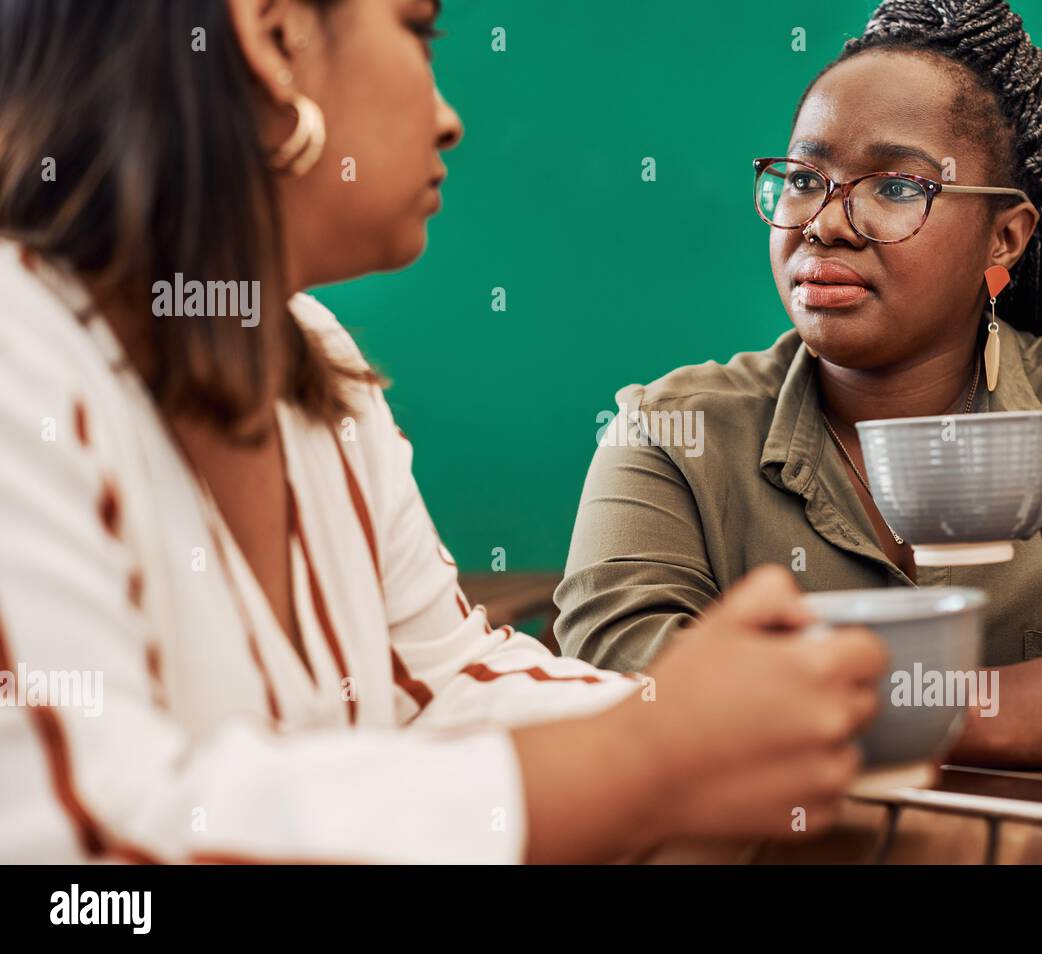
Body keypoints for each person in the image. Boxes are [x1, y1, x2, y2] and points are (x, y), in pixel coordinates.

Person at [0, 0, 888, 863]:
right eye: (417, 30)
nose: (450, 117)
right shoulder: (20, 352)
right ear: (275, 40)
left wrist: (717, 721)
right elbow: (91, 848)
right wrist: (645, 754)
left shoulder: (309, 352)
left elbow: (438, 683)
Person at [555, 0, 1042, 768]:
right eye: (804, 177)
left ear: (1005, 234)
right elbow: (621, 687)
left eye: (896, 187)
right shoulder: (671, 437)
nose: (824, 223)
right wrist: (988, 711)